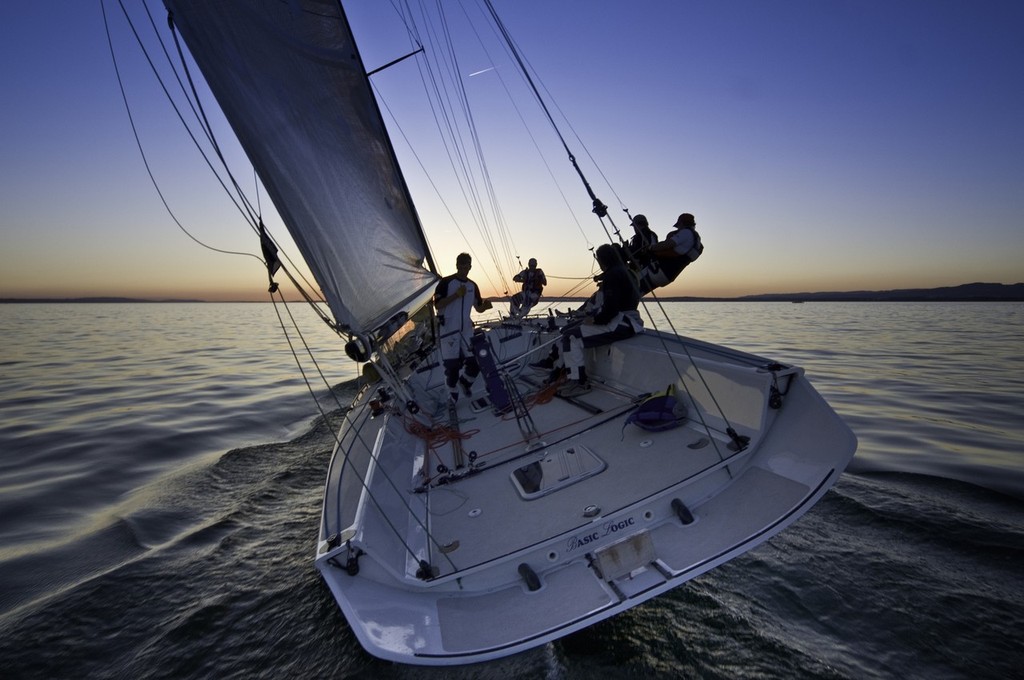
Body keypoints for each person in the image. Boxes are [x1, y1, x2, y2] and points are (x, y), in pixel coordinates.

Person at [533, 244, 643, 396]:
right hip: (626, 320)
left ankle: (579, 383)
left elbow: (611, 309)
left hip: (622, 322)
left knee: (571, 337)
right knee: (569, 331)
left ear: (602, 260)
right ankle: (562, 371)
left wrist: (596, 320)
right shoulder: (623, 272)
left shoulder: (612, 275)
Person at [434, 253, 492, 402]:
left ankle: (465, 382)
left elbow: (478, 308)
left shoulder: (473, 286)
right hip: (448, 328)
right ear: (456, 265)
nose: (464, 268)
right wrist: (455, 295)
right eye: (461, 265)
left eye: (466, 266)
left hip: (466, 328)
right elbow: (438, 305)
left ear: (470, 267)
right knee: (452, 367)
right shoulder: (446, 283)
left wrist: (484, 306)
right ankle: (452, 394)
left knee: (476, 362)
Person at [638, 212, 703, 294]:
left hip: (658, 271)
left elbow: (668, 244)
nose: (678, 229)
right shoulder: (696, 240)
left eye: (678, 226)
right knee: (638, 293)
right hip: (667, 276)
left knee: (632, 284)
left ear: (682, 223)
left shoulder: (686, 233)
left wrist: (650, 248)